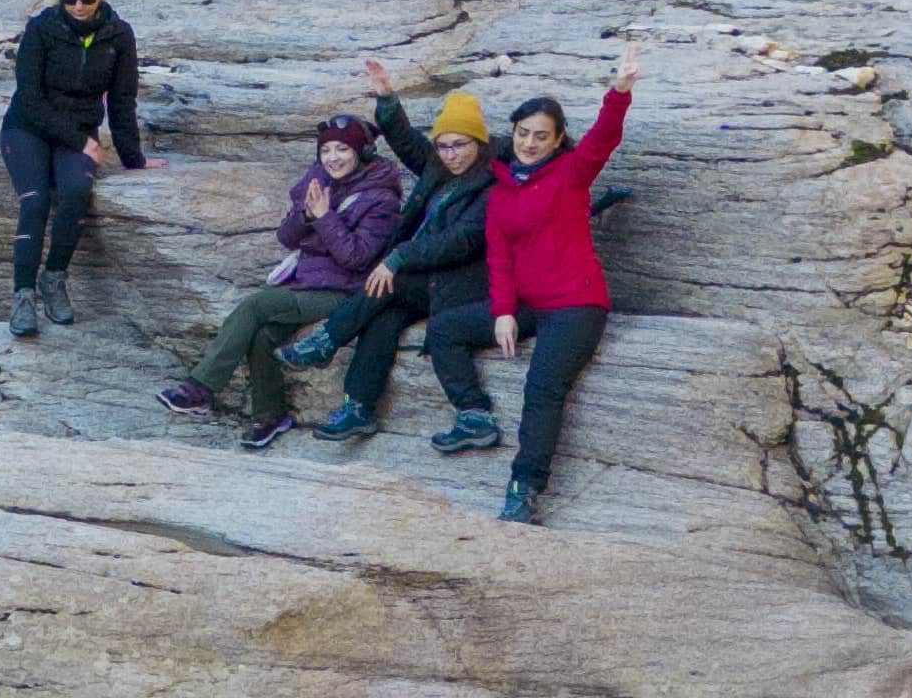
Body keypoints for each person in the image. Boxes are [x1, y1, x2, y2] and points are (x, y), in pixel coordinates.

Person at [172, 85, 423, 446]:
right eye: (326, 150)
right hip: (306, 281)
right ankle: (270, 416)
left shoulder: (381, 199)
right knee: (262, 334)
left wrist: (324, 219)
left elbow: (357, 257)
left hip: (345, 293)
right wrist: (307, 215)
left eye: (342, 150)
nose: (333, 158)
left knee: (256, 304)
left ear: (362, 152)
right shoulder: (317, 181)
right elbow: (287, 238)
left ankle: (201, 387)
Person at [321, 95, 509, 460]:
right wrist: (387, 99)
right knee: (384, 317)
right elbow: (406, 141)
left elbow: (459, 242)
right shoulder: (440, 167)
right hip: (427, 277)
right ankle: (357, 407)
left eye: (459, 145)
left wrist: (399, 257)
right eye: (443, 146)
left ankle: (328, 339)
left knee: (390, 286)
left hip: (459, 282)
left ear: (478, 142)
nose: (451, 154)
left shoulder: (491, 185)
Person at [486, 76, 636, 523]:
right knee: (447, 328)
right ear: (512, 134)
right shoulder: (500, 190)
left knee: (543, 388)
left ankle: (523, 487)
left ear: (557, 140)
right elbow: (499, 258)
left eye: (541, 136)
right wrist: (503, 313)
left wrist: (620, 91)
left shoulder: (571, 172)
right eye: (523, 133)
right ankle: (471, 418)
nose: (530, 143)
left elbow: (604, 137)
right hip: (530, 305)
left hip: (576, 306)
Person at [0, 0, 147, 336]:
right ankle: (24, 295)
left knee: (77, 190)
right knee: (35, 200)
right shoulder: (41, 29)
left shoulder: (118, 35)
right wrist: (82, 142)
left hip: (79, 127)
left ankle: (54, 278)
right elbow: (29, 99)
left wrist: (133, 160)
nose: (79, 7)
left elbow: (123, 101)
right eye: (71, 0)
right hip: (27, 128)